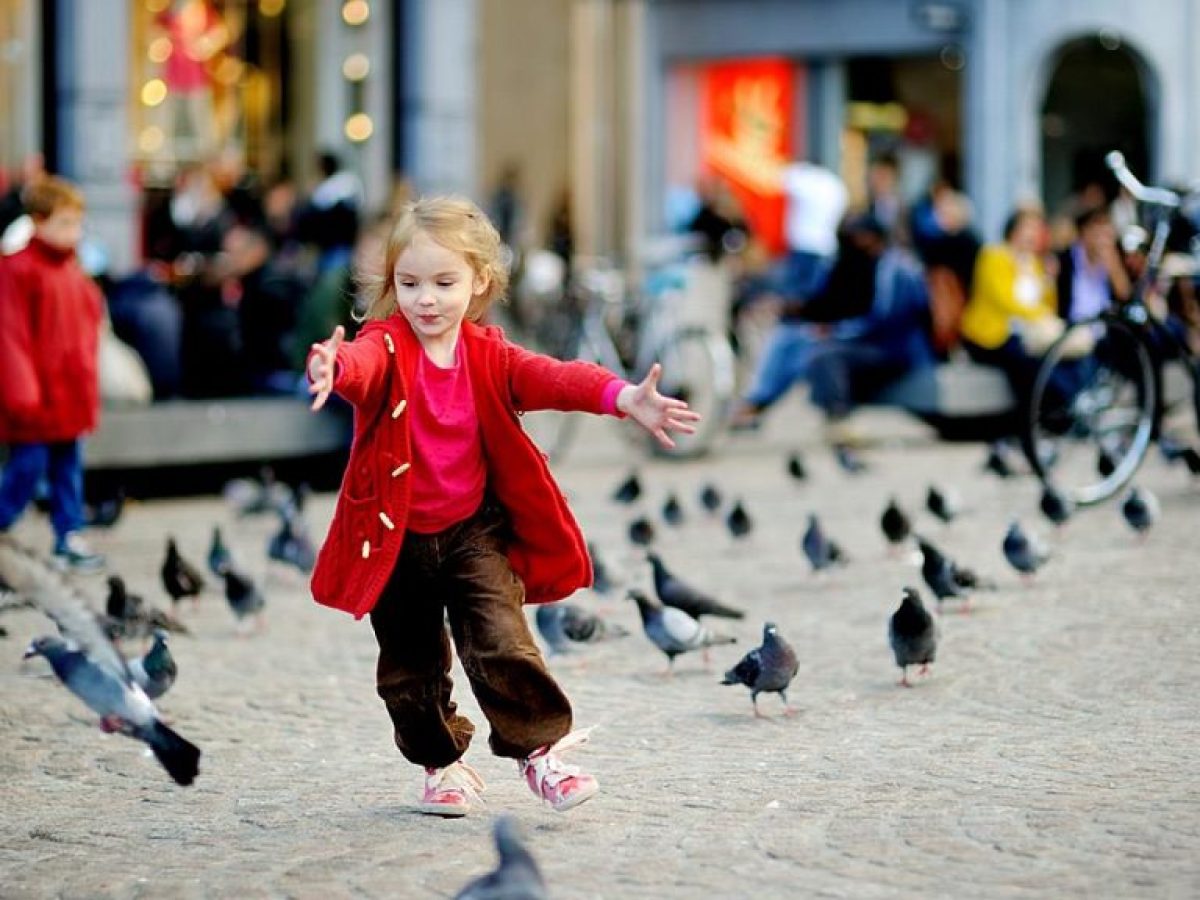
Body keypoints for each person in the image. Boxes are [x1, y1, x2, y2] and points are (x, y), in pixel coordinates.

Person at [305, 196, 699, 817]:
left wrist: (623, 397)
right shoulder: (385, 345)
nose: (425, 299)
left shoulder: (490, 355)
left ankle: (542, 756)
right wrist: (333, 366)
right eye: (408, 284)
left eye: (443, 282)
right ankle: (441, 766)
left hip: (472, 532)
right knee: (409, 674)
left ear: (479, 282)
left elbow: (556, 377)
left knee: (502, 642)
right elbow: (361, 367)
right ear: (391, 285)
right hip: (395, 538)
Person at [0, 176, 105, 570]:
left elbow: (86, 329)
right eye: (64, 223)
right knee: (27, 467)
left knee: (67, 468)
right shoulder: (18, 269)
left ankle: (68, 534)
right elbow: (10, 335)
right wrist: (21, 393)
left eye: (76, 224)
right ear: (38, 221)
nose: (73, 232)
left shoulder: (72, 270)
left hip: (67, 391)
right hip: (38, 395)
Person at [805, 216, 934, 445]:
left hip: (897, 347)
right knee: (808, 347)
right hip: (880, 342)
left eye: (859, 236)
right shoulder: (869, 263)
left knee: (828, 355)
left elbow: (887, 318)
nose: (854, 242)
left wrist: (839, 332)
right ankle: (834, 417)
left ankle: (839, 419)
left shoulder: (897, 269)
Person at [959, 207, 1059, 428]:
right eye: (1028, 227)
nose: (1032, 234)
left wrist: (1049, 282)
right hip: (990, 334)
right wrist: (1040, 317)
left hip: (1025, 333)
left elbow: (1046, 305)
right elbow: (1004, 300)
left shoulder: (1033, 263)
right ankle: (1026, 421)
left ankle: (1051, 413)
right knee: (1024, 362)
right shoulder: (994, 256)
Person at [1056, 205, 1131, 323]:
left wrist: (1114, 267)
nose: (1103, 240)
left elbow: (1125, 296)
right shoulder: (1066, 259)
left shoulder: (1115, 258)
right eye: (1098, 233)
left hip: (1105, 329)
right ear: (1084, 232)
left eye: (1107, 233)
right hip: (1072, 327)